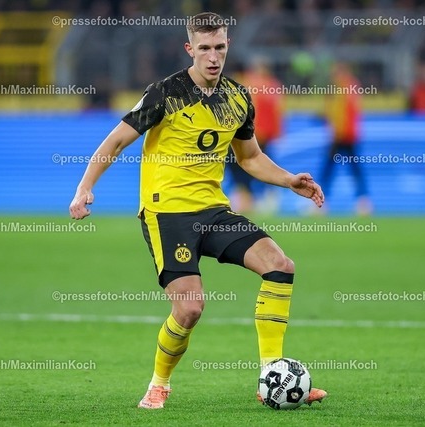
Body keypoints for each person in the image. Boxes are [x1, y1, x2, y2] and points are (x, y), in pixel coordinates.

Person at [69, 12, 327, 410]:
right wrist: (85, 187)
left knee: (281, 266)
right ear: (190, 49)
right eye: (204, 48)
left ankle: (271, 378)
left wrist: (288, 180)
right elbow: (116, 140)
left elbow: (250, 157)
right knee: (189, 309)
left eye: (219, 47)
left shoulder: (238, 98)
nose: (213, 57)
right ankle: (159, 384)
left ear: (228, 46)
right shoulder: (165, 93)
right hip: (167, 214)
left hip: (214, 211)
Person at [227, 56, 284, 213]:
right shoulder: (273, 85)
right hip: (261, 134)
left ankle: (248, 196)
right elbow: (277, 111)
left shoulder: (251, 83)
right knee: (258, 165)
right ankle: (257, 195)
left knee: (242, 164)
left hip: (254, 133)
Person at [320, 62, 372, 216]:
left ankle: (321, 201)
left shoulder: (343, 88)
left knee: (330, 169)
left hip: (342, 136)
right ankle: (363, 201)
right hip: (347, 135)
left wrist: (336, 130)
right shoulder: (350, 86)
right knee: (353, 169)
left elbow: (341, 113)